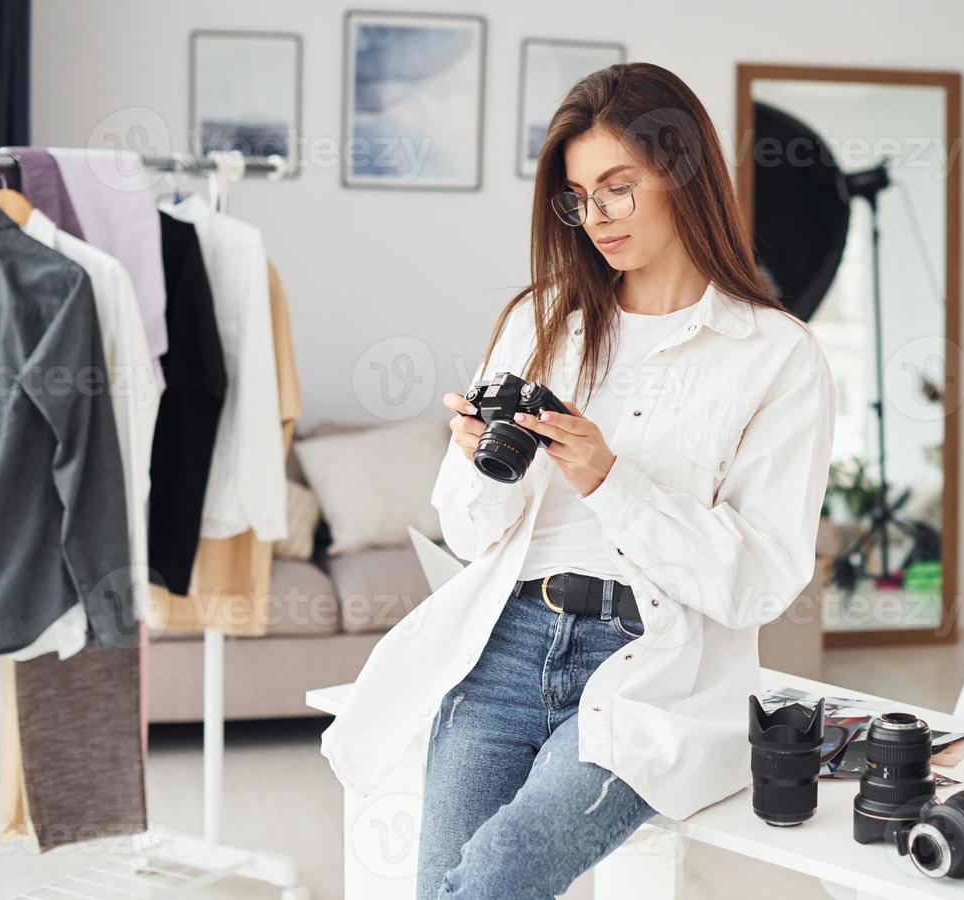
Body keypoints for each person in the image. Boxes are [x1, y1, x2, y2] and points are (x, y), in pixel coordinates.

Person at [319, 62, 837, 899]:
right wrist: (471, 459)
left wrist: (610, 480)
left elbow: (757, 582)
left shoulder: (776, 356)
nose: (595, 217)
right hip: (506, 642)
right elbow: (471, 533)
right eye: (578, 196)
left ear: (683, 172)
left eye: (618, 187)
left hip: (648, 663)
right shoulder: (542, 322)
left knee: (492, 877)